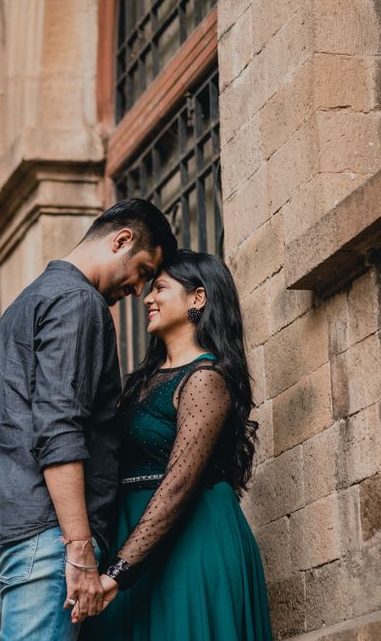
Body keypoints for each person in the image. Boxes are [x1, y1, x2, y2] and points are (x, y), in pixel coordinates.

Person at [0, 198, 176, 640]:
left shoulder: (29, 300)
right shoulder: (78, 302)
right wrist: (78, 549)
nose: (139, 291)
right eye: (142, 271)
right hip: (45, 538)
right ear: (121, 240)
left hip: (5, 526)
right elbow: (59, 428)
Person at [81, 249, 272, 640]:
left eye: (161, 288)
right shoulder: (143, 380)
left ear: (197, 298)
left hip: (191, 543)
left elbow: (180, 482)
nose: (148, 298)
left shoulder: (205, 377)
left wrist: (118, 572)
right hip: (132, 541)